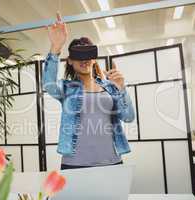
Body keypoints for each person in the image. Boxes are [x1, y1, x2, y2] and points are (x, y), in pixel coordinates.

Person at [43, 12, 135, 170]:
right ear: (70, 61)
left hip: (111, 162)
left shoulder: (110, 87)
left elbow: (128, 117)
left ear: (94, 58)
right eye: (78, 55)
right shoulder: (67, 89)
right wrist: (55, 48)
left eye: (88, 53)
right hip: (75, 163)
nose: (84, 59)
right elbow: (48, 84)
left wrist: (122, 89)